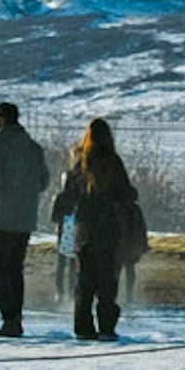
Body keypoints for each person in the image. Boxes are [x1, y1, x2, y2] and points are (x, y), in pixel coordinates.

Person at [51, 119, 146, 341]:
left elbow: (70, 196)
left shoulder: (80, 162)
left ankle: (83, 327)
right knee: (108, 280)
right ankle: (106, 327)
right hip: (111, 229)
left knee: (85, 280)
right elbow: (127, 195)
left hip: (84, 229)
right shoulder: (114, 162)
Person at [0, 103, 49, 338]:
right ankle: (16, 317)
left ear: (0, 119)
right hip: (26, 218)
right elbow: (43, 182)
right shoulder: (34, 148)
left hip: (1, 216)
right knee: (15, 269)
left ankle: (10, 318)